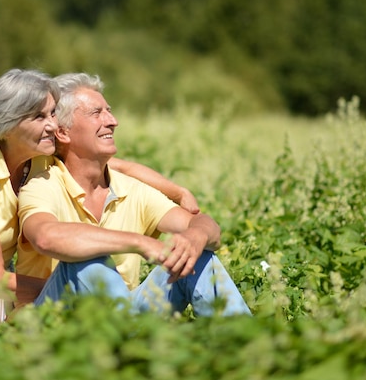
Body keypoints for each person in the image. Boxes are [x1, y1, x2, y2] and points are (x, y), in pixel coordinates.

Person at [0, 68, 200, 313]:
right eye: (40, 116)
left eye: (53, 114)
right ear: (8, 122)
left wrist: (178, 191)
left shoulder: (34, 156)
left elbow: (118, 166)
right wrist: (71, 292)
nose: (52, 125)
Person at [17, 73, 252, 316]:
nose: (113, 121)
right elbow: (45, 237)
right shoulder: (42, 184)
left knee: (199, 257)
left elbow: (205, 225)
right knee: (87, 258)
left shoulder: (130, 189)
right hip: (53, 323)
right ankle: (131, 347)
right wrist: (140, 242)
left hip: (125, 315)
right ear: (63, 133)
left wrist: (196, 237)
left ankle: (244, 343)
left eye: (109, 111)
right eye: (96, 113)